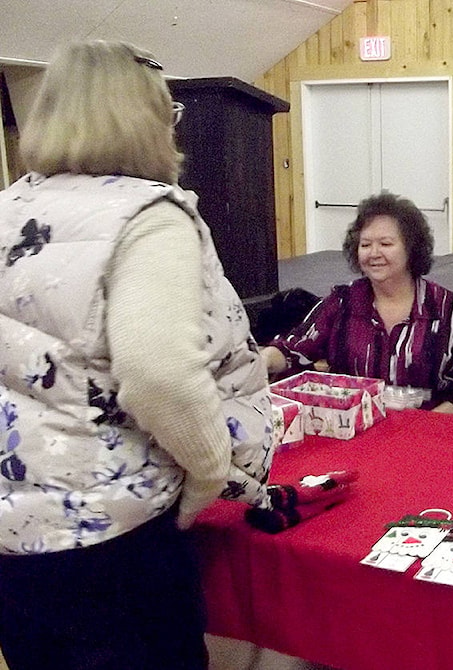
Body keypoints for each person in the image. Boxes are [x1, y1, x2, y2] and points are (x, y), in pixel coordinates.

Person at [0, 40, 273, 670]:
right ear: (142, 116)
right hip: (114, 539)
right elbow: (158, 376)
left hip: (19, 537)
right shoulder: (147, 214)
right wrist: (208, 473)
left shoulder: (14, 206)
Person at [262, 192, 453, 416]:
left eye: (385, 244)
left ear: (411, 248)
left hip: (428, 436)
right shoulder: (342, 301)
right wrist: (261, 362)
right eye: (365, 245)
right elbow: (295, 349)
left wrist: (430, 421)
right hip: (354, 433)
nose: (374, 253)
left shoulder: (448, 309)